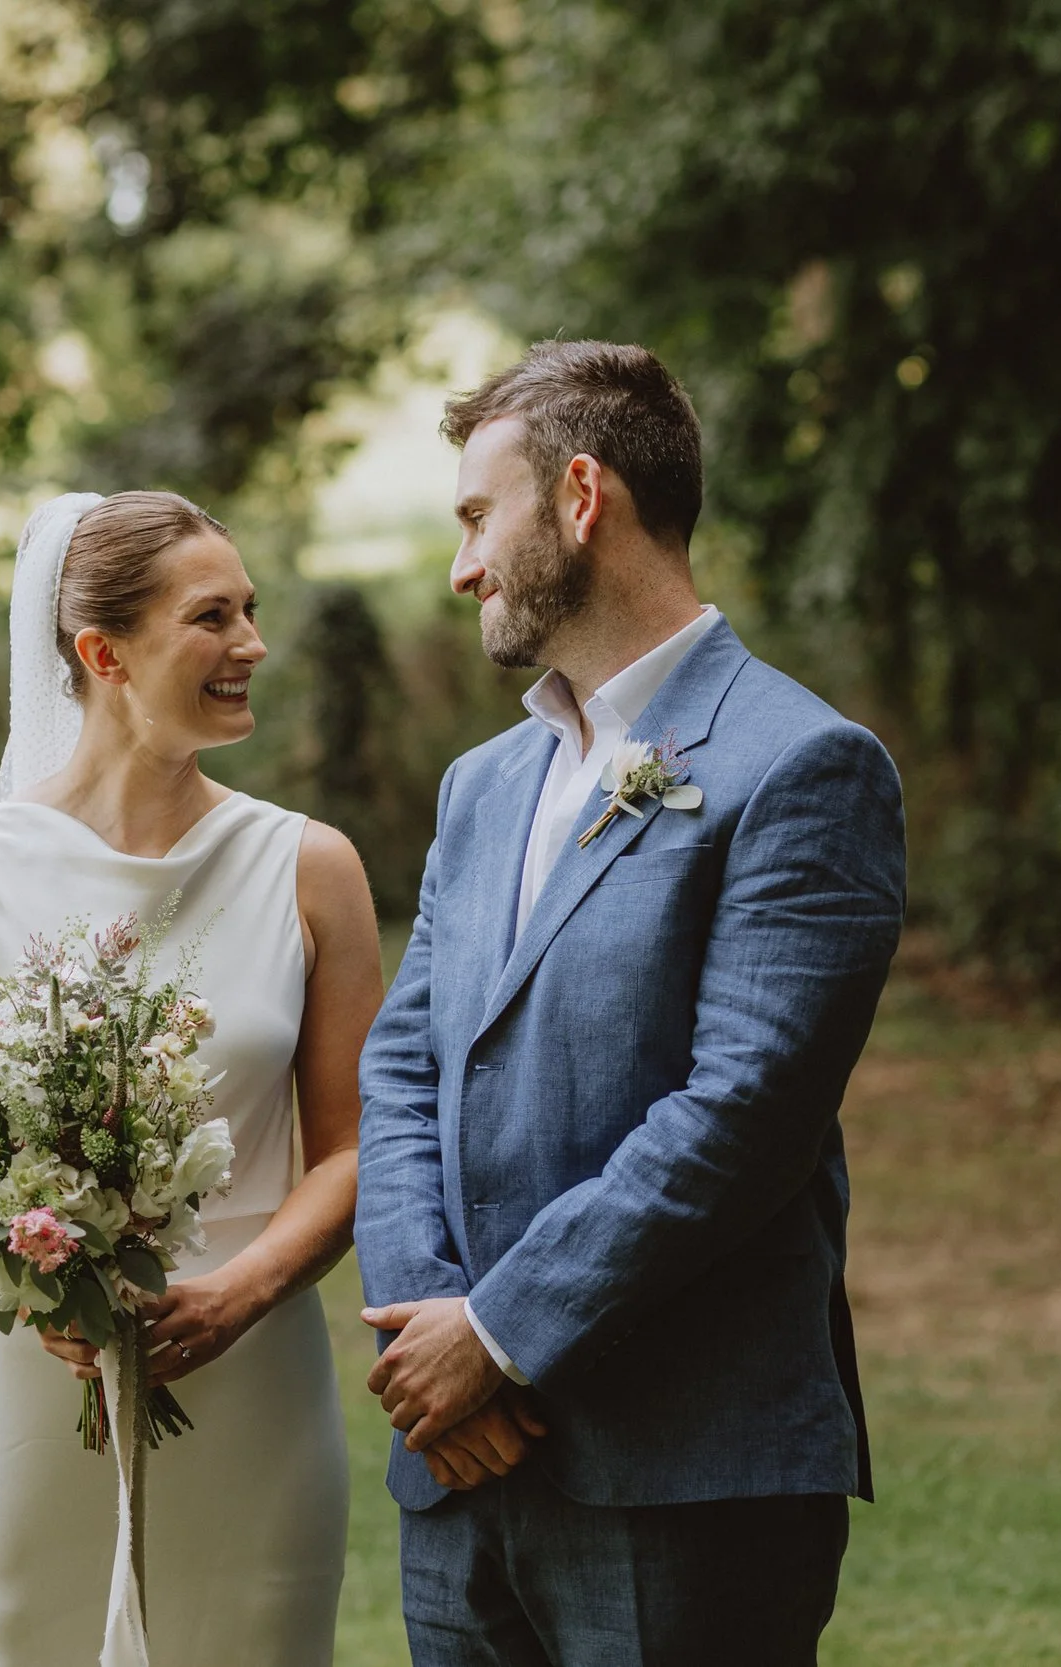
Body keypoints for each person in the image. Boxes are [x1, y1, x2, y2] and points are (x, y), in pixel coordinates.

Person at [354, 341, 907, 1665]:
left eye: (479, 515)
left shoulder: (802, 765)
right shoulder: (481, 785)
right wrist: (434, 1350)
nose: (463, 564)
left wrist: (498, 1334)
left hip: (685, 1473)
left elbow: (744, 1109)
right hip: (461, 1471)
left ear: (583, 497)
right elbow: (405, 1069)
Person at [0, 490, 383, 1666]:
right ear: (102, 653)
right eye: (213, 617)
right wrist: (38, 1291)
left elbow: (357, 1145)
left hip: (252, 1376)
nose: (254, 643)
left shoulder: (311, 868)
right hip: (21, 1392)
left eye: (252, 610)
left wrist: (241, 1290)